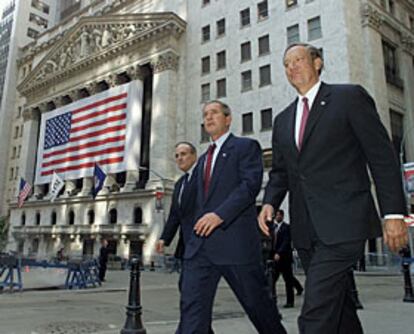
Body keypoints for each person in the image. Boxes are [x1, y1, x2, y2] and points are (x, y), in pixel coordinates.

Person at [258, 43, 408, 334]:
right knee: (339, 309)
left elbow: (382, 155)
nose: (292, 67)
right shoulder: (283, 120)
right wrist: (269, 202)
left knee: (315, 314)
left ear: (317, 63)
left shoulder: (348, 97)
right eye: (286, 64)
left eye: (298, 60)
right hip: (306, 229)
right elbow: (280, 172)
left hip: (344, 222)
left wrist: (393, 213)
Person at [178, 100, 286, 334]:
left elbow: (249, 187)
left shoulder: (246, 147)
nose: (208, 117)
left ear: (228, 119)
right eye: (205, 114)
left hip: (234, 245)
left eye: (214, 112)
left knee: (259, 308)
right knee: (192, 312)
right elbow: (190, 205)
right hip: (200, 250)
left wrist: (219, 215)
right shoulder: (203, 159)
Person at [155, 142, 215, 334]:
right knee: (190, 292)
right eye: (177, 155)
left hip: (204, 245)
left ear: (194, 156)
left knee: (192, 293)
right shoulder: (180, 183)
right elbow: (175, 216)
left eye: (184, 154)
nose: (180, 158)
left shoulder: (203, 178)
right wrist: (164, 238)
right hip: (187, 247)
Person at [269, 209, 303, 308]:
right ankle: (272, 299)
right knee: (272, 279)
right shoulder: (273, 228)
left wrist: (279, 252)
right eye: (276, 215)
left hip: (285, 258)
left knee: (288, 280)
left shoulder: (286, 228)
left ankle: (290, 301)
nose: (277, 217)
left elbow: (286, 241)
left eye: (279, 215)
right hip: (275, 259)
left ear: (282, 216)